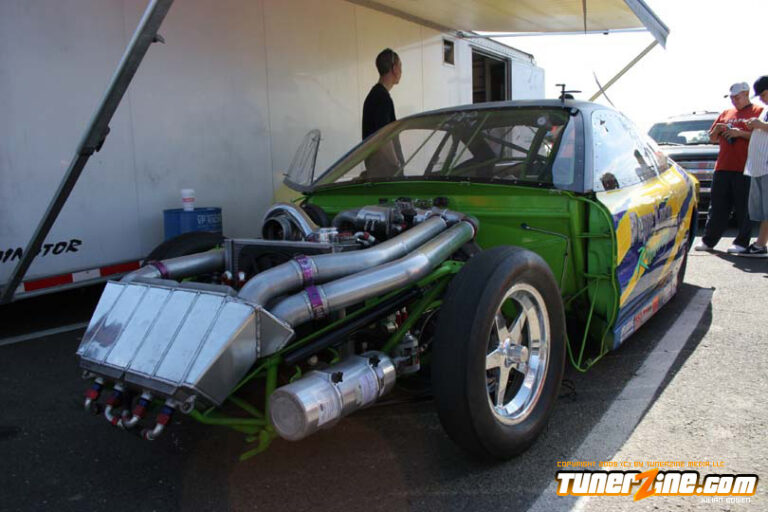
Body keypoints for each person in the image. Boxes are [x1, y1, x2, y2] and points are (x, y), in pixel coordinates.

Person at [695, 82, 763, 253]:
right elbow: (712, 138)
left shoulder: (758, 111)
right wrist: (718, 129)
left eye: (737, 97)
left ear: (747, 94)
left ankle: (741, 242)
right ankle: (709, 241)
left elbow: (762, 136)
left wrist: (739, 133)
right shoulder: (726, 113)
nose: (734, 100)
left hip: (745, 167)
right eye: (731, 97)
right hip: (723, 166)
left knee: (743, 207)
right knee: (717, 205)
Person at [741, 76, 768, 257]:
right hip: (759, 167)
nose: (762, 99)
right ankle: (760, 244)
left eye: (764, 94)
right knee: (762, 210)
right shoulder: (765, 109)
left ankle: (760, 244)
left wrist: (761, 125)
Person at [362, 48, 402, 139]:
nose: (401, 71)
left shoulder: (373, 95)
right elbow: (385, 141)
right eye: (400, 66)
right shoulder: (383, 99)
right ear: (395, 69)